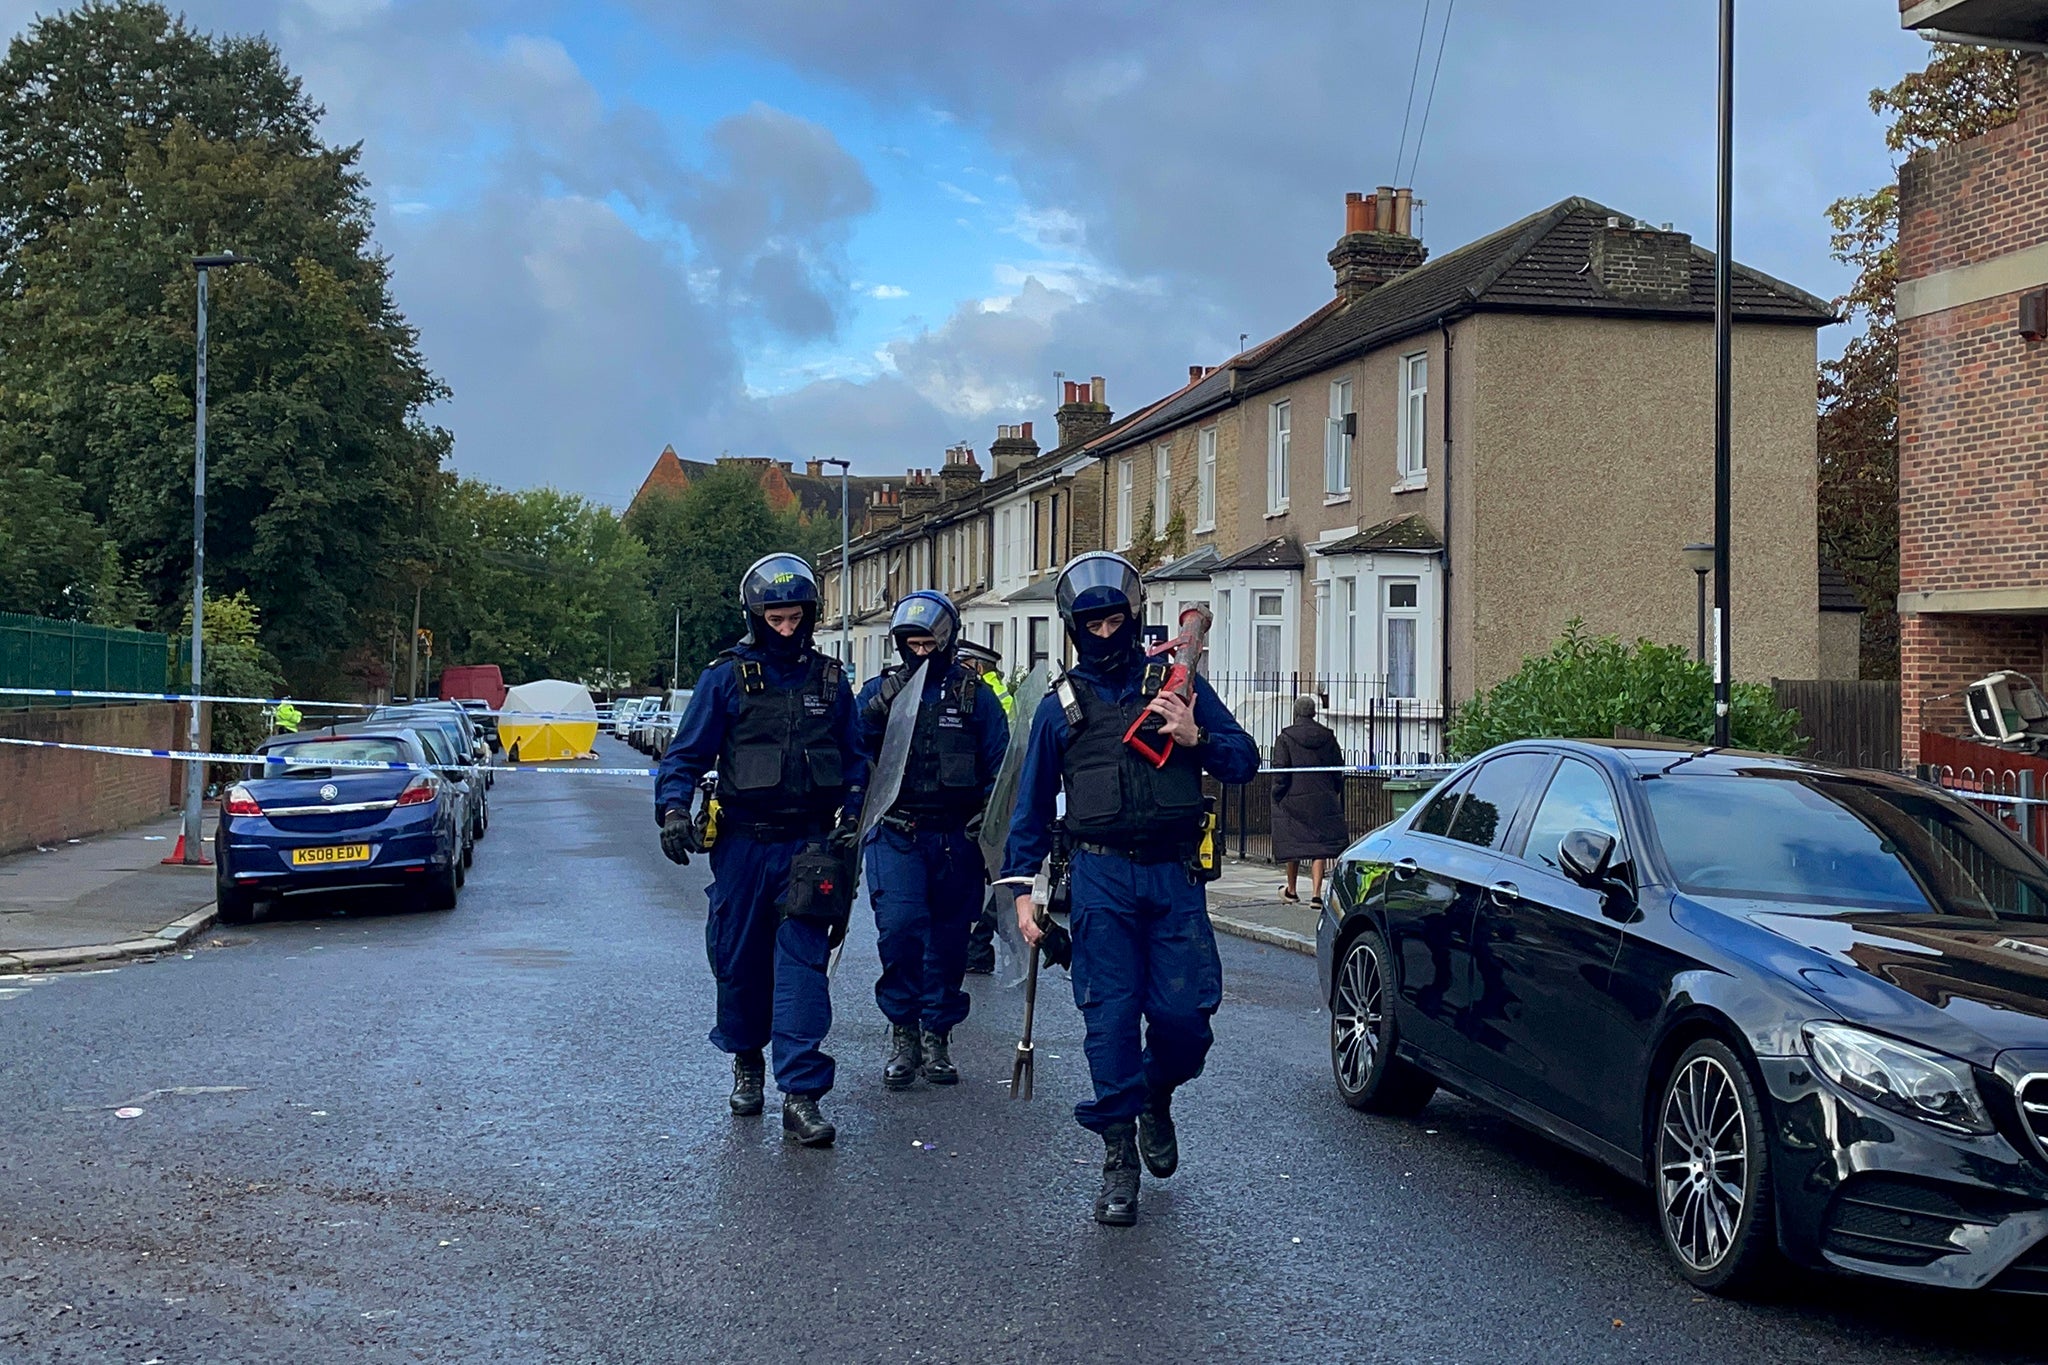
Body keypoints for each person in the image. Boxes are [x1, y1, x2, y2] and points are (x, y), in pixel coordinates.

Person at [1002, 552, 1259, 1226]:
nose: (1106, 632)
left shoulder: (1176, 684)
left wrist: (1195, 734)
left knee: (1184, 1022)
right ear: (1073, 627)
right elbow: (1028, 813)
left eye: (1116, 618)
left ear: (1133, 617)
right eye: (1093, 622)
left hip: (1173, 874)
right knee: (1109, 1021)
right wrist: (1023, 897)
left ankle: (1156, 1091)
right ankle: (1119, 1156)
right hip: (1099, 876)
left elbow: (1245, 760)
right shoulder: (1060, 709)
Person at [654, 553, 866, 1147]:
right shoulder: (725, 678)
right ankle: (748, 1058)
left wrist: (853, 810)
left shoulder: (831, 680)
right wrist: (673, 811)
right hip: (744, 845)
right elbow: (685, 756)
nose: (786, 625)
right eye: (774, 616)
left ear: (811, 614)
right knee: (740, 961)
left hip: (810, 845)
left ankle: (801, 1095)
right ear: (755, 615)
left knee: (802, 967)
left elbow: (856, 760)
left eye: (794, 615)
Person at [854, 592, 1009, 1088]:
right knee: (899, 929)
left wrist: (988, 812)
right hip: (896, 832)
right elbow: (849, 749)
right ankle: (903, 1029)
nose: (920, 653)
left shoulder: (975, 696)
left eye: (929, 643)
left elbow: (1001, 765)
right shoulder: (881, 692)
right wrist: (875, 711)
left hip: (955, 837)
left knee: (948, 942)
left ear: (947, 641)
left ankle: (936, 1034)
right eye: (911, 644)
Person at [956, 638, 1013, 976]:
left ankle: (977, 942)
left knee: (994, 877)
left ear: (977, 666)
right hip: (997, 800)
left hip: (992, 801)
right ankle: (976, 944)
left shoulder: (989, 696)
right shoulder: (998, 692)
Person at [1270, 695, 1349, 909]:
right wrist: (1334, 791)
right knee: (1319, 846)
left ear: (1296, 713)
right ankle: (1316, 894)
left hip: (1293, 799)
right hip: (1323, 798)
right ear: (1313, 713)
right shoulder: (1328, 736)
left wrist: (1277, 793)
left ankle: (1292, 890)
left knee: (1293, 842)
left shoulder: (1285, 737)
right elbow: (1337, 768)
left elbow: (1281, 770)